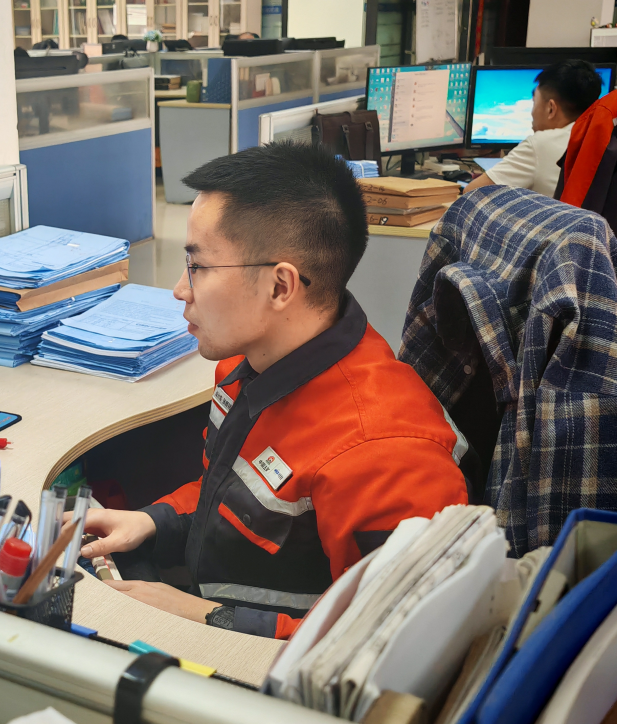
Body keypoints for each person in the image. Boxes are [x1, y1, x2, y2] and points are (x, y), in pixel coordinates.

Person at [77, 142, 469, 639]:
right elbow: (232, 496)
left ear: (281, 287)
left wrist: (201, 616)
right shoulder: (247, 362)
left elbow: (385, 643)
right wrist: (154, 522)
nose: (180, 289)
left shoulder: (382, 453)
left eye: (198, 266)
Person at [464, 60, 602, 198]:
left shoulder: (540, 144)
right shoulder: (604, 139)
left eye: (534, 103)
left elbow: (471, 194)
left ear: (551, 108)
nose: (532, 113)